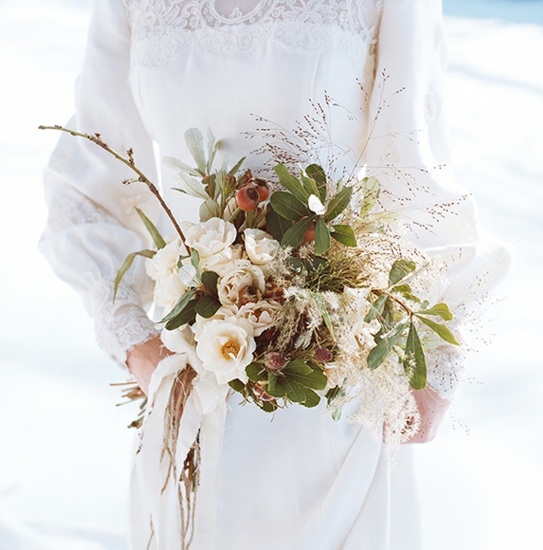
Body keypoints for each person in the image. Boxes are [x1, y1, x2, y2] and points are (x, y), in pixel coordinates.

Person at [40, 1, 508, 548]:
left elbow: (414, 170)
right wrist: (134, 341)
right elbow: (88, 185)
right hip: (189, 399)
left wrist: (435, 357)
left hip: (328, 404)